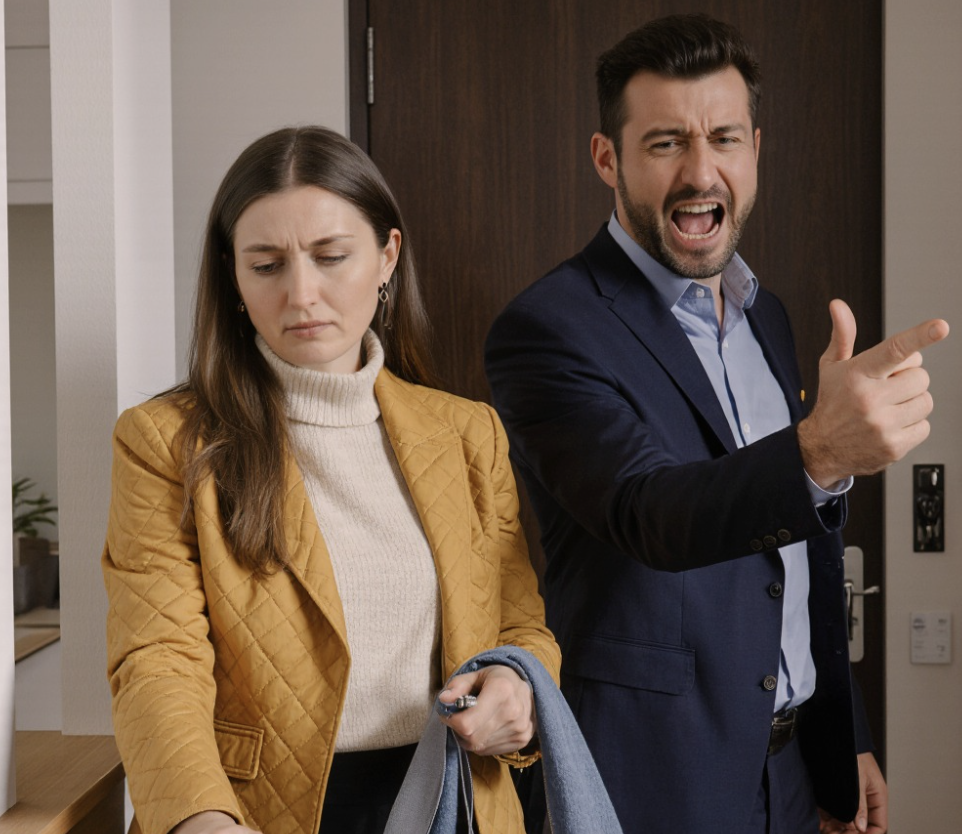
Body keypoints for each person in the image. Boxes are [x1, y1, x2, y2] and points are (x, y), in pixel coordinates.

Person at [484, 14, 948, 834]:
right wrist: (820, 451)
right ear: (608, 158)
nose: (701, 172)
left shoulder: (767, 314)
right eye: (665, 143)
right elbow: (651, 511)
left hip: (793, 771)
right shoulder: (547, 329)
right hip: (653, 779)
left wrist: (845, 737)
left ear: (755, 149)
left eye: (724, 138)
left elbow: (797, 556)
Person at [103, 126, 561, 834]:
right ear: (232, 276)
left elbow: (519, 624)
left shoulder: (470, 434)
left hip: (456, 801)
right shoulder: (166, 443)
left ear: (387, 257)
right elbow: (157, 661)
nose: (301, 294)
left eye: (331, 256)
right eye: (266, 265)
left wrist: (517, 684)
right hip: (252, 813)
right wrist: (200, 818)